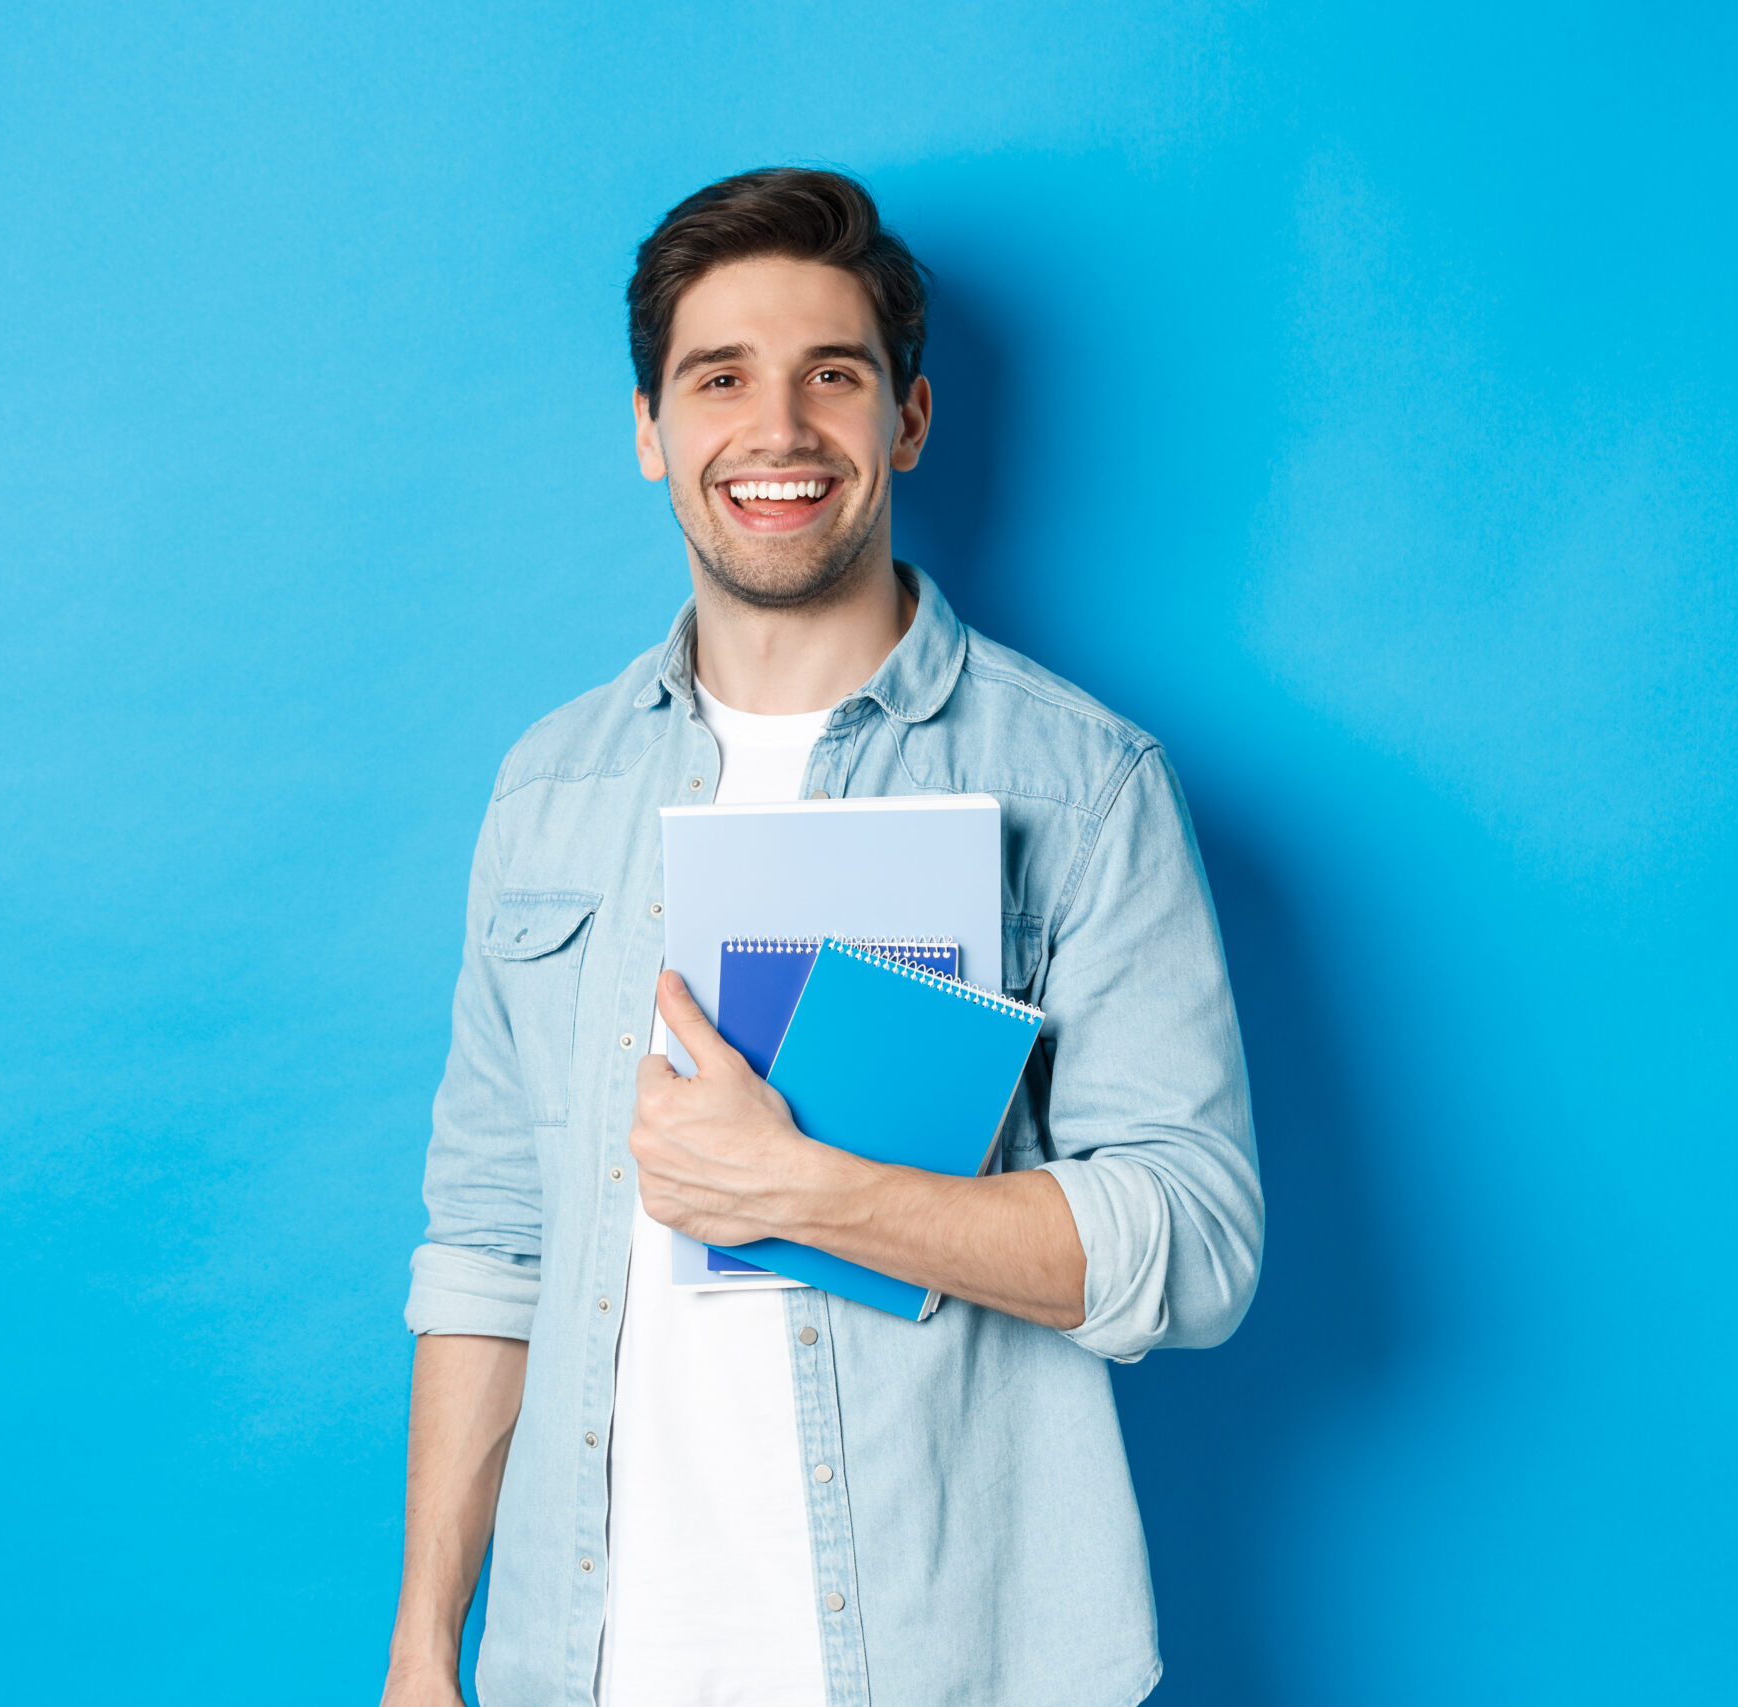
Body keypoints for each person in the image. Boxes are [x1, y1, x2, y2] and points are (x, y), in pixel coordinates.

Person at [383, 167, 1263, 1707]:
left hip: (959, 1666)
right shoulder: (550, 793)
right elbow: (490, 1250)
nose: (778, 431)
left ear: (908, 422)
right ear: (650, 430)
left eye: (832, 378)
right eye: (720, 379)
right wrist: (422, 1647)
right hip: (584, 1666)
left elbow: (1194, 1245)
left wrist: (807, 1190)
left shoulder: (1083, 784)